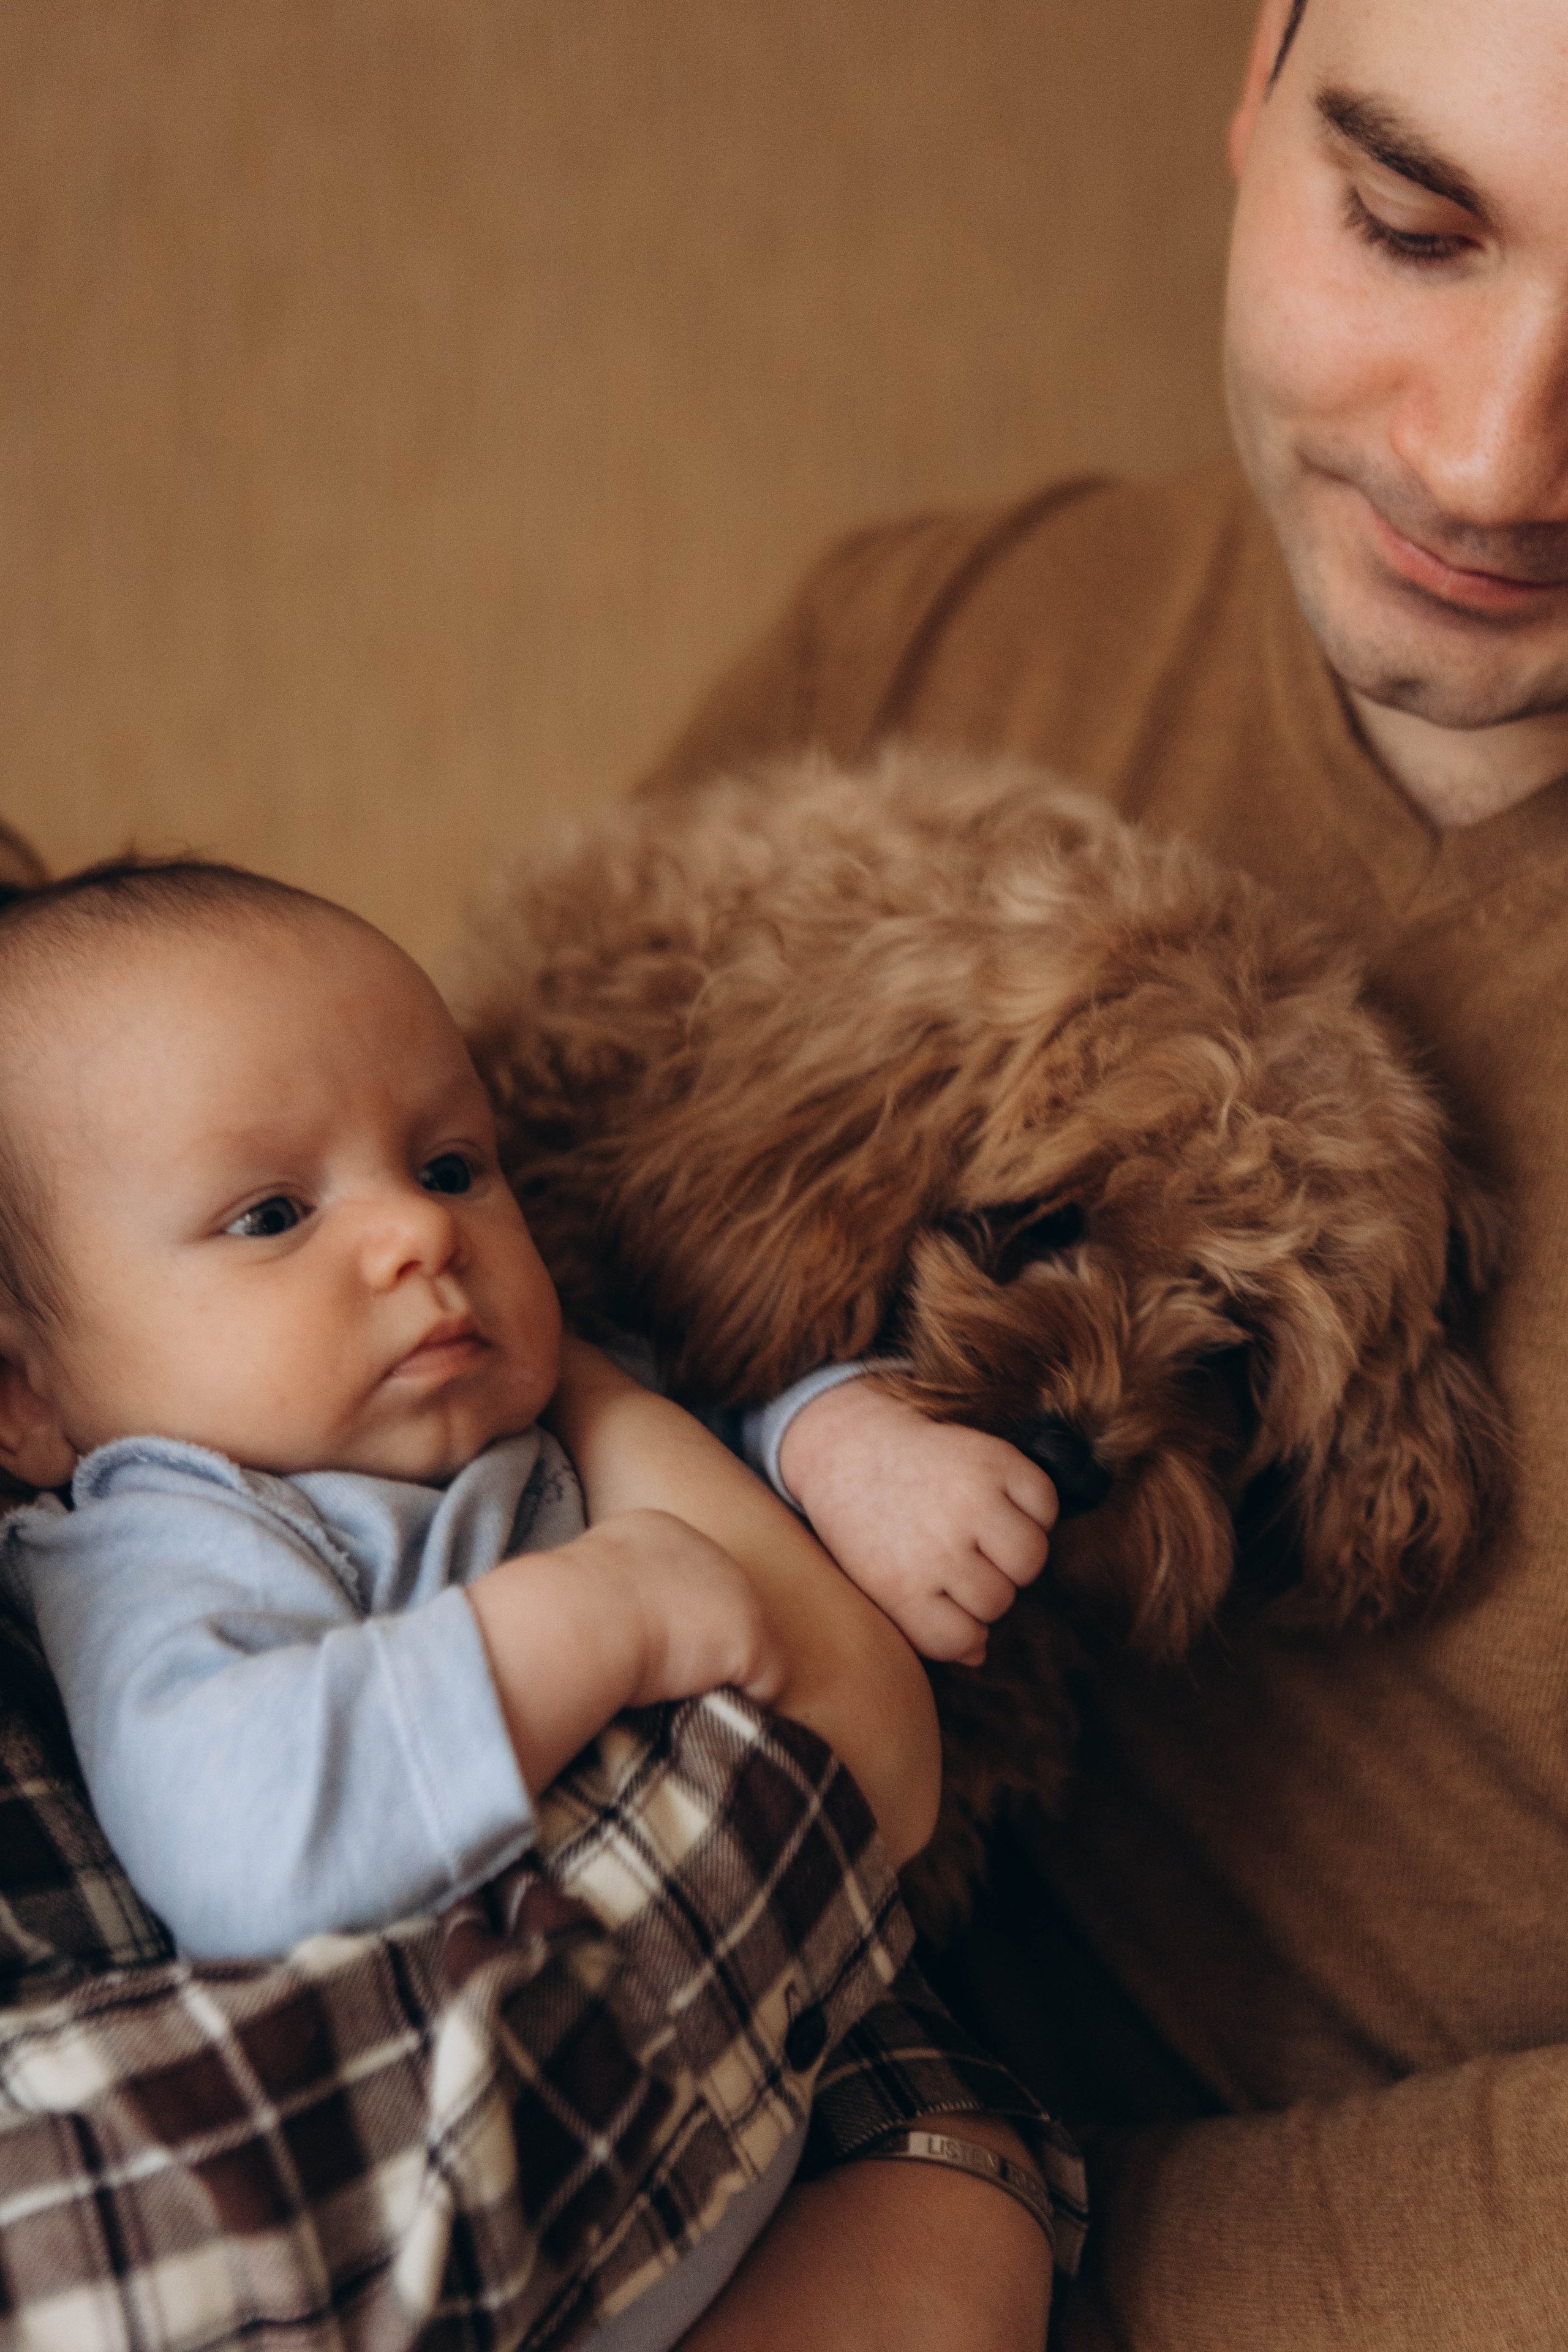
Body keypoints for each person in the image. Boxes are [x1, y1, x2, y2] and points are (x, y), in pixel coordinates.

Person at [638, 0, 1568, 2342]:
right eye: (1410, 222)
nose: (1485, 460)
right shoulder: (949, 631)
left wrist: (983, 2247)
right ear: (1256, 71)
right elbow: (450, 1256)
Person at [0, 857, 1084, 2348]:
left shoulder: (481, 1408)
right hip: (520, 2227)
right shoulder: (175, 1537)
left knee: (969, 2207)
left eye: (449, 1167)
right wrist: (602, 1616)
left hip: (778, 2124)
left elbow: (676, 1399)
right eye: (269, 1215)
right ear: (29, 1397)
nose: (417, 1235)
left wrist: (840, 1445)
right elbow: (243, 1839)